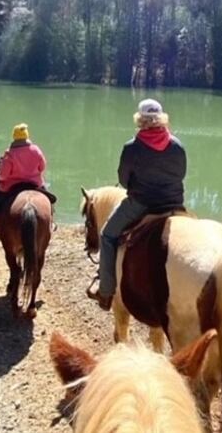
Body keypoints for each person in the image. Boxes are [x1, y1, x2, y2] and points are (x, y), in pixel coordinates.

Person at [92, 99, 187, 311]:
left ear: (140, 120)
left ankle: (106, 291)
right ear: (161, 119)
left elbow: (124, 181)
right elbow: (181, 174)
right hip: (174, 204)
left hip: (142, 204)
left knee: (107, 235)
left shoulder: (132, 147)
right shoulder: (177, 145)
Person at [0, 123, 56, 242]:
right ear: (27, 136)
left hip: (12, 185)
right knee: (49, 199)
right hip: (35, 183)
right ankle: (51, 222)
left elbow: (4, 175)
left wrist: (0, 177)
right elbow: (42, 167)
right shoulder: (36, 150)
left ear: (14, 137)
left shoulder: (10, 153)